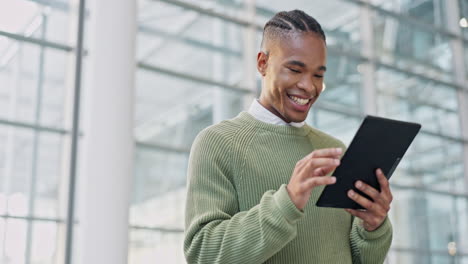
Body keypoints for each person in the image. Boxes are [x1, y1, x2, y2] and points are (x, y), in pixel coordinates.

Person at [184, 9, 393, 264]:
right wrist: (287, 202)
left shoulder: (335, 151)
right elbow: (203, 253)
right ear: (262, 63)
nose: (309, 86)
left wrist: (373, 228)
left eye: (318, 75)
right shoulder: (217, 143)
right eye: (295, 70)